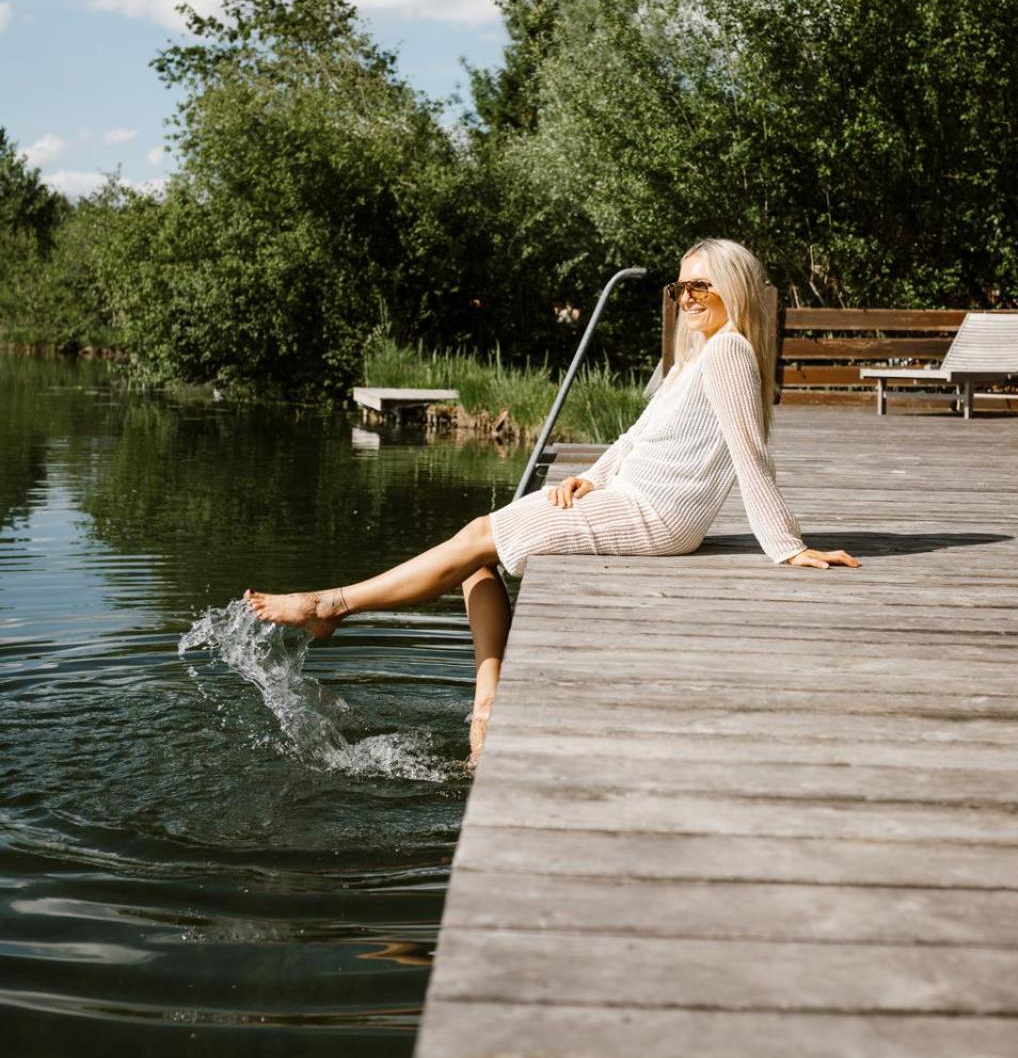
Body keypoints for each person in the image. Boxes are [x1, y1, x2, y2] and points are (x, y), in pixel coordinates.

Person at [245, 238, 860, 766]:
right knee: (475, 556)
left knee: (478, 539)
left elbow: (750, 452)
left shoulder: (728, 352)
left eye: (702, 286)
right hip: (628, 495)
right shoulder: (696, 355)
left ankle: (333, 604)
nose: (688, 298)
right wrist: (590, 478)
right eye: (680, 289)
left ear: (735, 289)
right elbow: (636, 438)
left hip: (657, 516)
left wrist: (786, 546)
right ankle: (487, 700)